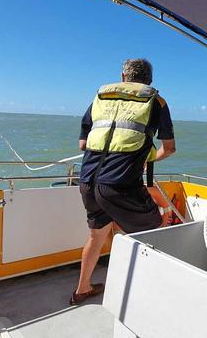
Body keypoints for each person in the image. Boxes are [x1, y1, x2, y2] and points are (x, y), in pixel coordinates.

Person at [71, 58, 176, 305]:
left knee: (97, 237)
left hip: (87, 181)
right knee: (157, 230)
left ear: (122, 76)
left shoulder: (100, 99)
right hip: (120, 185)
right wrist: (146, 159)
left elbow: (83, 144)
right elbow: (169, 148)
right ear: (149, 80)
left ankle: (82, 289)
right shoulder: (156, 102)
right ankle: (151, 295)